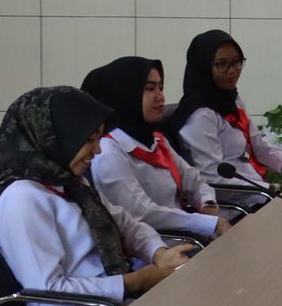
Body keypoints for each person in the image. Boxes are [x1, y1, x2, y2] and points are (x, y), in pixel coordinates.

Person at [0, 87, 186, 306]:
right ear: (55, 137)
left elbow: (124, 222)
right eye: (89, 140)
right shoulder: (22, 198)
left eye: (99, 138)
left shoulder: (70, 181)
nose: (98, 150)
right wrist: (134, 281)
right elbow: (49, 293)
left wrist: (158, 252)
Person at [82, 56, 227, 242]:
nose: (160, 96)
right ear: (126, 94)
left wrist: (207, 204)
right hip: (157, 249)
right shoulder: (109, 151)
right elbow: (143, 213)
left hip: (189, 239)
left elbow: (195, 180)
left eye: (161, 87)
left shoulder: (156, 139)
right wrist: (206, 223)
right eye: (150, 89)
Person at [170, 30, 282, 204]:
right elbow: (214, 180)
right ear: (204, 67)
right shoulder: (199, 116)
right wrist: (273, 190)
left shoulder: (231, 100)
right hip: (232, 207)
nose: (233, 71)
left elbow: (258, 146)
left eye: (236, 62)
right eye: (222, 64)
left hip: (259, 194)